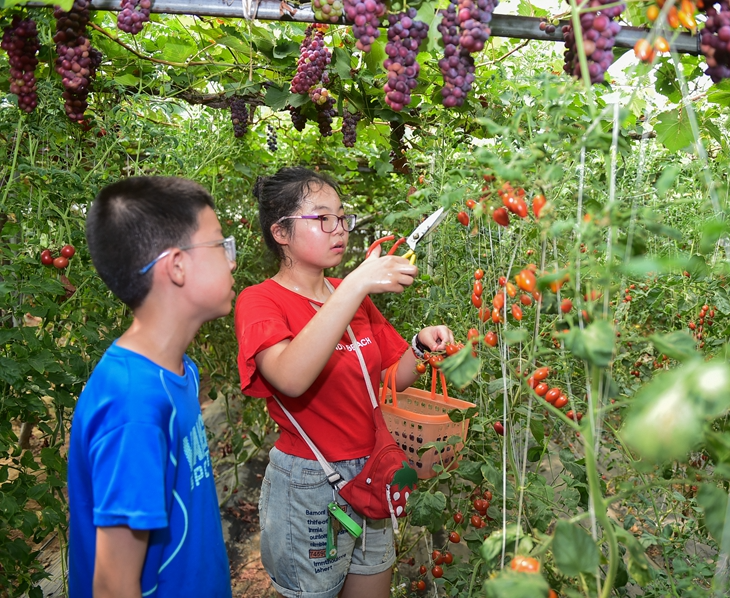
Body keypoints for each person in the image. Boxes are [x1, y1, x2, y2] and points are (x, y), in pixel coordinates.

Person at [235, 166, 452, 598]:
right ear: (281, 232)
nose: (339, 230)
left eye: (341, 218)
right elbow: (291, 378)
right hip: (311, 483)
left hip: (372, 468)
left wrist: (422, 347)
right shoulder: (261, 301)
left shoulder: (347, 294)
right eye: (322, 218)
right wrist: (355, 286)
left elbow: (392, 378)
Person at [68, 177, 235, 598]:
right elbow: (113, 586)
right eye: (219, 246)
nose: (232, 261)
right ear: (176, 265)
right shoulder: (135, 408)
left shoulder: (178, 371)